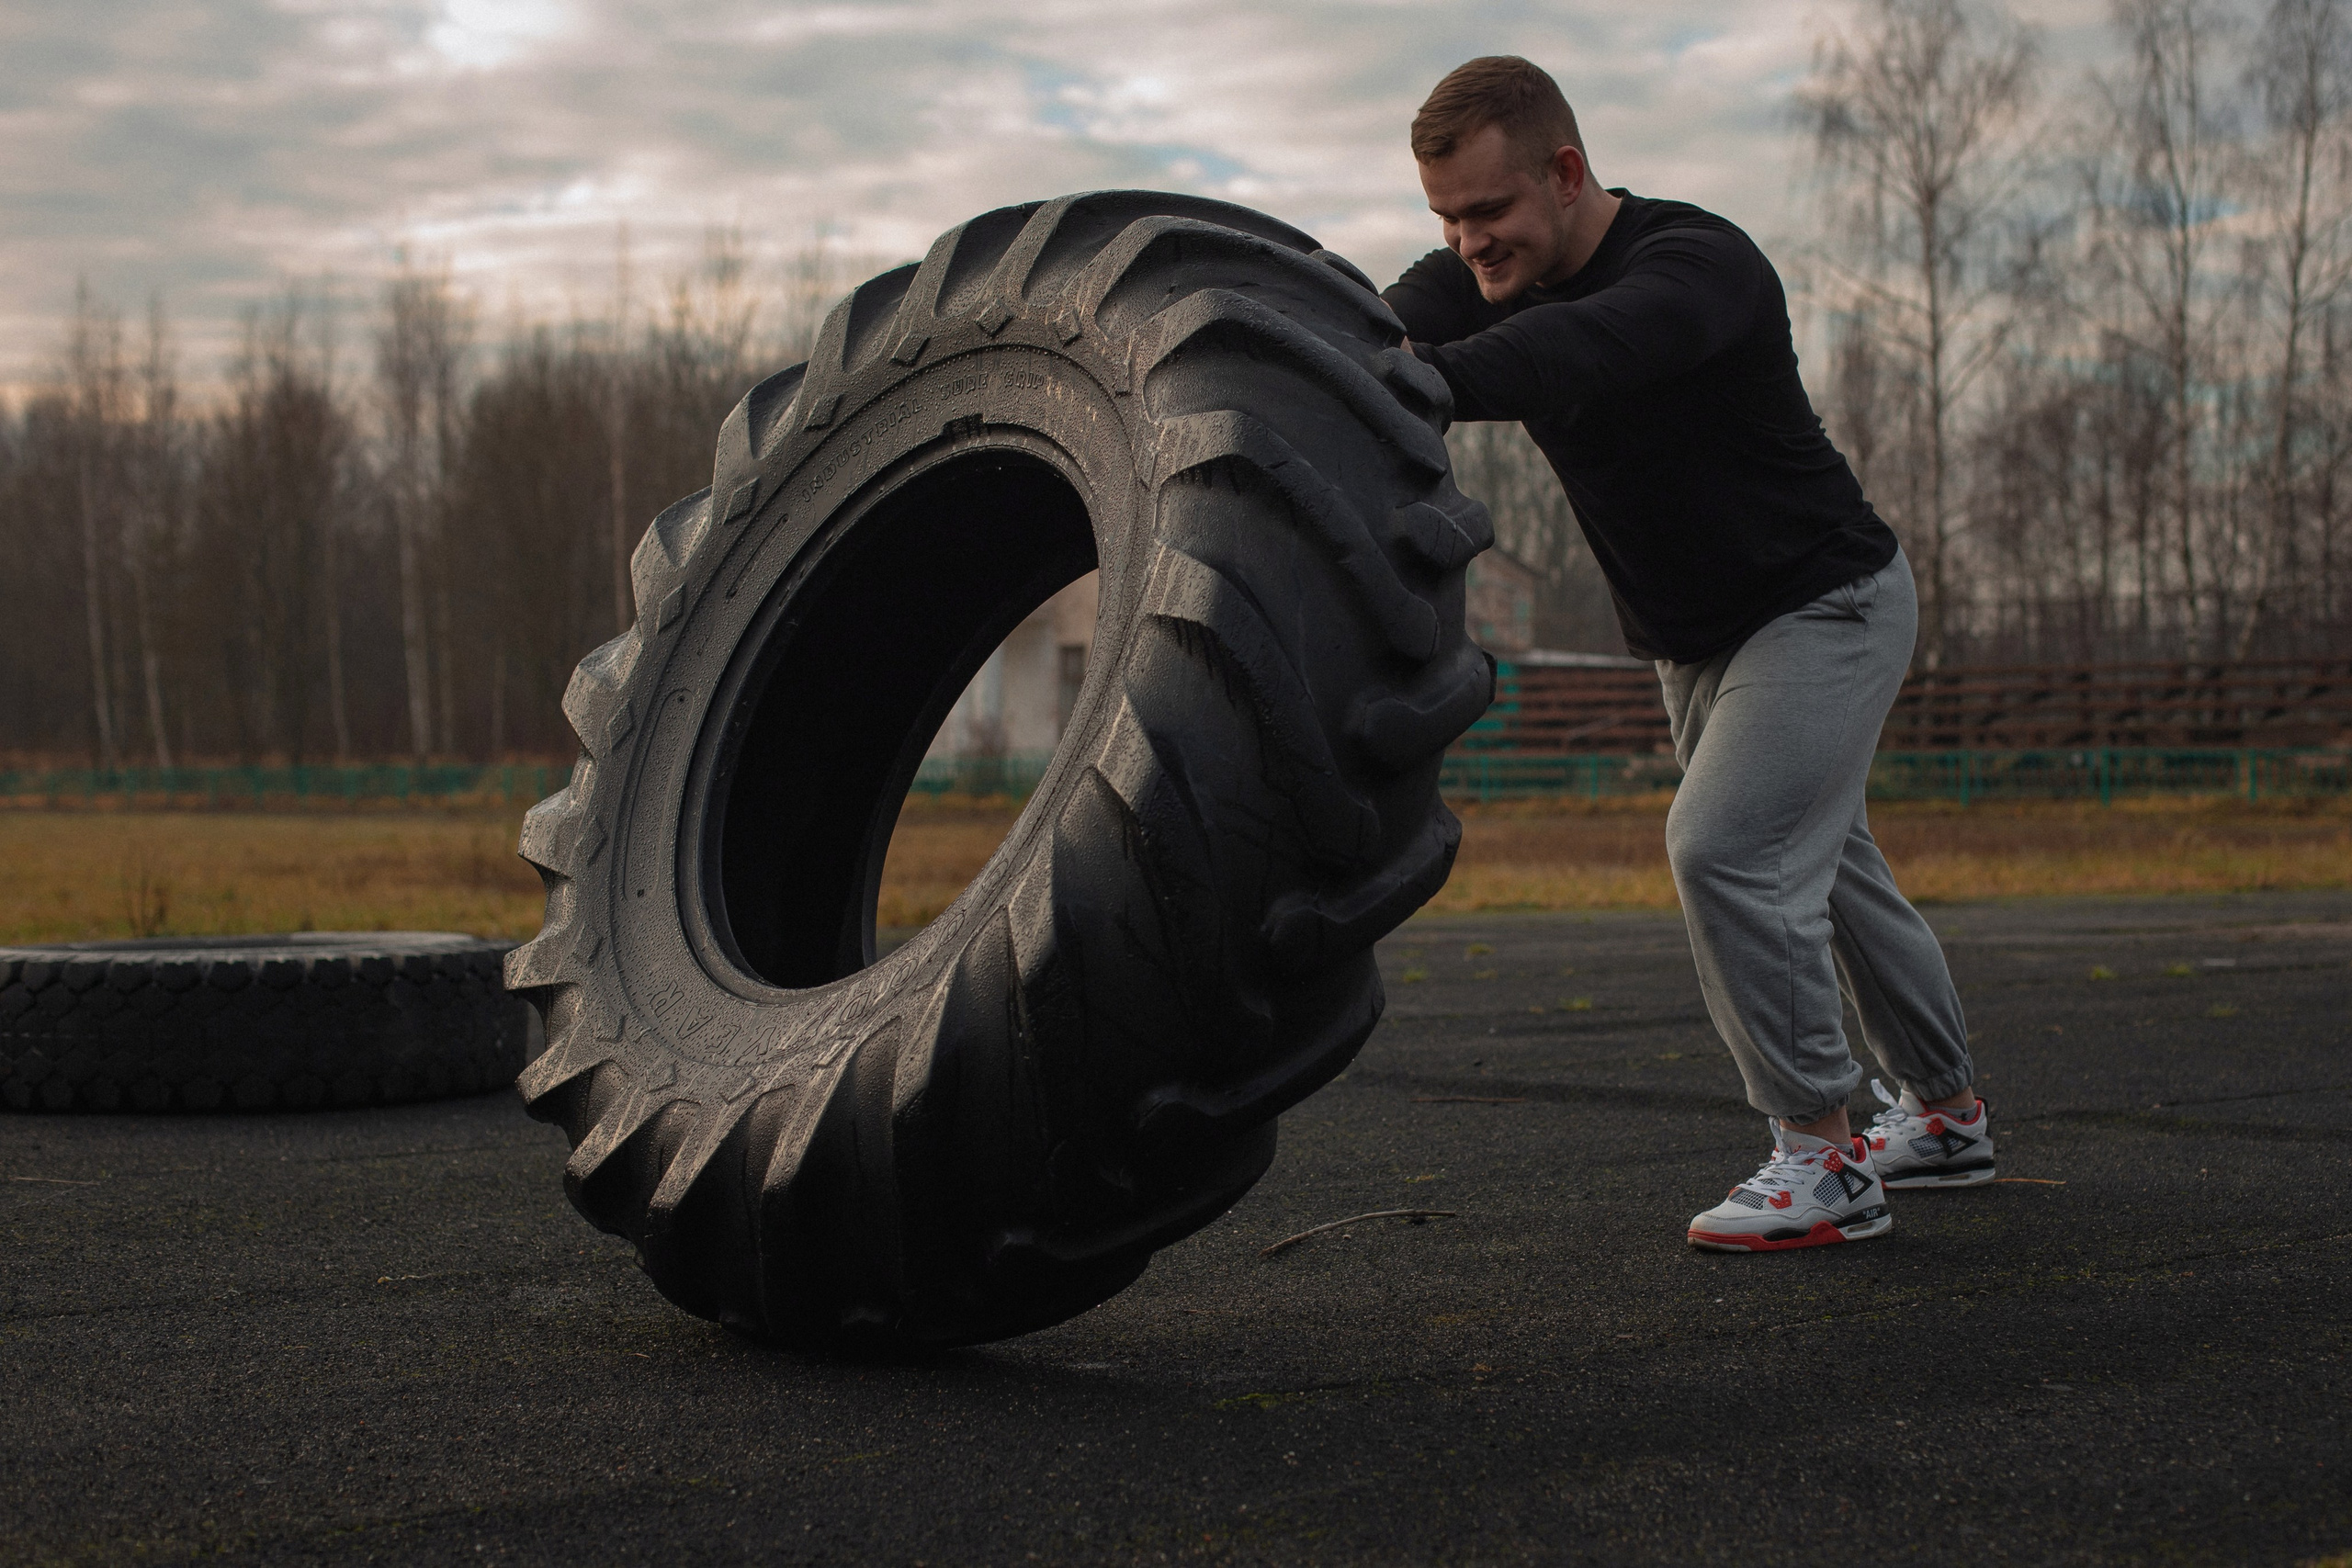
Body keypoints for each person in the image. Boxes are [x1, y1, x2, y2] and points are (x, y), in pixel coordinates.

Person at [1383, 55, 1994, 1251]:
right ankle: (1949, 1115)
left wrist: (1410, 386)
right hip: (1695, 641)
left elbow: (1582, 350)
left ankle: (1822, 1158)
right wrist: (1322, 355)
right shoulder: (1481, 270)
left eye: (1489, 212)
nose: (1468, 244)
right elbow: (1382, 321)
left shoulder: (1697, 267)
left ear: (1565, 173)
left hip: (1828, 602)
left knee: (1725, 850)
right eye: (1447, 218)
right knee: (1831, 871)